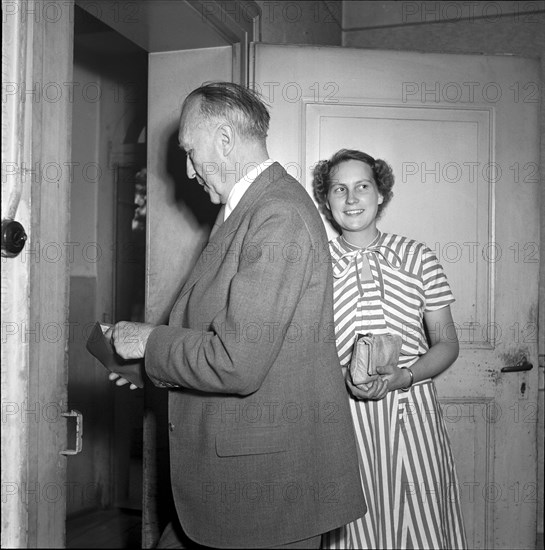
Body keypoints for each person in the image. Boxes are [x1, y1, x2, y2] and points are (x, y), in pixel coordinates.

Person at [107, 83, 366, 549]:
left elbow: (236, 360)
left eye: (190, 151)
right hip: (238, 483)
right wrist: (148, 366)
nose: (187, 171)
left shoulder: (277, 214)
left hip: (265, 491)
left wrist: (150, 343)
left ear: (225, 139)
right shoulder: (248, 209)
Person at [312, 149, 467, 549]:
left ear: (380, 193)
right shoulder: (315, 266)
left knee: (422, 526)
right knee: (354, 530)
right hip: (343, 422)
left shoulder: (418, 258)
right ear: (326, 201)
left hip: (412, 413)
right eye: (338, 189)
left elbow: (447, 341)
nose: (351, 198)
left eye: (362, 186)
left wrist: (406, 376)